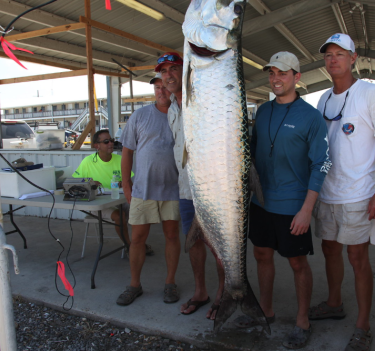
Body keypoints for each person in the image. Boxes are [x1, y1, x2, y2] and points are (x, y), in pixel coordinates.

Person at [235, 51, 330, 350]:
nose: (276, 78)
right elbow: (247, 151)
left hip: (293, 204)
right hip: (261, 202)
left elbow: (321, 164)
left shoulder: (311, 116)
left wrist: (306, 210)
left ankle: (303, 320)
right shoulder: (262, 111)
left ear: (296, 77)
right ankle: (266, 310)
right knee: (261, 255)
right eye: (272, 72)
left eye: (283, 73)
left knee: (297, 262)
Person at [309, 33, 375, 351]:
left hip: (360, 193)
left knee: (357, 256)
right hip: (328, 192)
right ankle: (334, 303)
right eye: (328, 55)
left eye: (340, 53)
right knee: (329, 249)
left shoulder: (371, 94)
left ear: (353, 58)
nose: (333, 59)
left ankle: (363, 325)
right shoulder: (322, 99)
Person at [158, 52, 226, 319]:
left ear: (186, 71)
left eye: (174, 68)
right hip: (186, 189)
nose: (168, 75)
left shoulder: (201, 99)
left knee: (219, 244)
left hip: (212, 188)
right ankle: (201, 292)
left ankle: (224, 293)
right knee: (193, 241)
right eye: (164, 71)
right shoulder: (172, 108)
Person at [117, 72, 181, 306]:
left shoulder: (182, 114)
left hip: (174, 190)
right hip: (142, 189)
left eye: (164, 86)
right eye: (157, 87)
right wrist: (126, 183)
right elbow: (127, 152)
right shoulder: (140, 115)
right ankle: (134, 285)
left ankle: (170, 283)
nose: (161, 91)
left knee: (172, 236)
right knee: (137, 239)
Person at [72, 129, 131, 247]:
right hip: (98, 202)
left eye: (112, 140)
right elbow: (75, 183)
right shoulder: (88, 162)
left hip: (119, 199)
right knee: (120, 216)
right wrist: (90, 183)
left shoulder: (119, 159)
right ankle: (130, 246)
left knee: (140, 212)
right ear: (97, 146)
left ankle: (138, 243)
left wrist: (124, 182)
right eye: (106, 141)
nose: (110, 143)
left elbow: (131, 183)